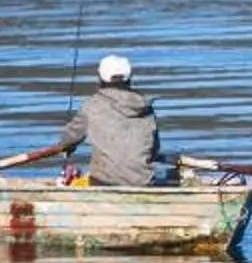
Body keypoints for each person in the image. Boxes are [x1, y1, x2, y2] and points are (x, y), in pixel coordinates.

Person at [60, 54, 173, 187]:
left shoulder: (91, 105)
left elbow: (68, 140)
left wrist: (67, 147)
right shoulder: (146, 107)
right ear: (129, 79)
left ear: (100, 79)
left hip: (102, 182)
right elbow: (154, 150)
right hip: (143, 182)